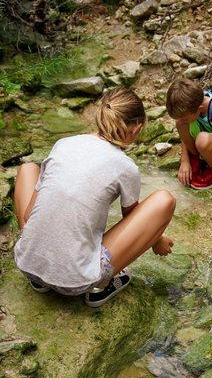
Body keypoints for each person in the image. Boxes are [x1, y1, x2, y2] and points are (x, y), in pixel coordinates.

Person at [14, 87, 176, 307]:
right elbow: (134, 220)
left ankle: (40, 273)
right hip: (76, 283)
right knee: (164, 200)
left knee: (27, 169)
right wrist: (158, 241)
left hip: (27, 264)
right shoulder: (125, 167)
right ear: (136, 129)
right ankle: (101, 287)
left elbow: (28, 214)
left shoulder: (63, 144)